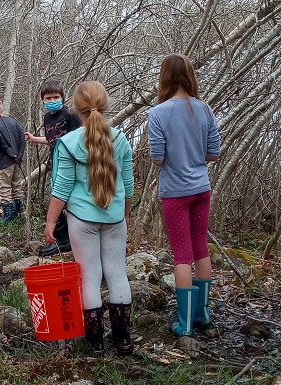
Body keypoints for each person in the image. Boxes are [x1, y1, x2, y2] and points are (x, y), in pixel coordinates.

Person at [44, 81, 134, 355]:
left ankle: (95, 342)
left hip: (81, 220)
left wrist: (50, 222)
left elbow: (61, 187)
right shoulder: (119, 139)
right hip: (115, 218)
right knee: (118, 275)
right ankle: (123, 340)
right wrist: (126, 213)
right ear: (104, 106)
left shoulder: (68, 143)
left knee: (90, 277)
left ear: (76, 108)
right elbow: (128, 183)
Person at [148, 53, 221, 337]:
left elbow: (157, 158)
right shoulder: (204, 108)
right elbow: (214, 153)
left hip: (175, 192)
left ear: (164, 78)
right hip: (201, 188)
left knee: (182, 254)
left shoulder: (158, 113)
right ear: (190, 76)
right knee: (201, 247)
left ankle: (185, 324)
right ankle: (203, 315)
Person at [26, 79, 82, 256]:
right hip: (56, 162)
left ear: (62, 97)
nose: (52, 100)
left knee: (66, 200)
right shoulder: (47, 117)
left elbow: (80, 138)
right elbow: (52, 140)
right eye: (48, 98)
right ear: (43, 100)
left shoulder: (71, 115)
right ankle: (62, 238)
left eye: (56, 97)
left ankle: (72, 239)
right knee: (56, 199)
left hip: (72, 163)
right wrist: (34, 138)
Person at [0, 99, 26, 224]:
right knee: (16, 185)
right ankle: (19, 211)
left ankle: (8, 216)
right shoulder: (14, 122)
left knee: (4, 187)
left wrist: (9, 152)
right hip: (17, 161)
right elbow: (23, 137)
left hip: (5, 160)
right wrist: (19, 155)